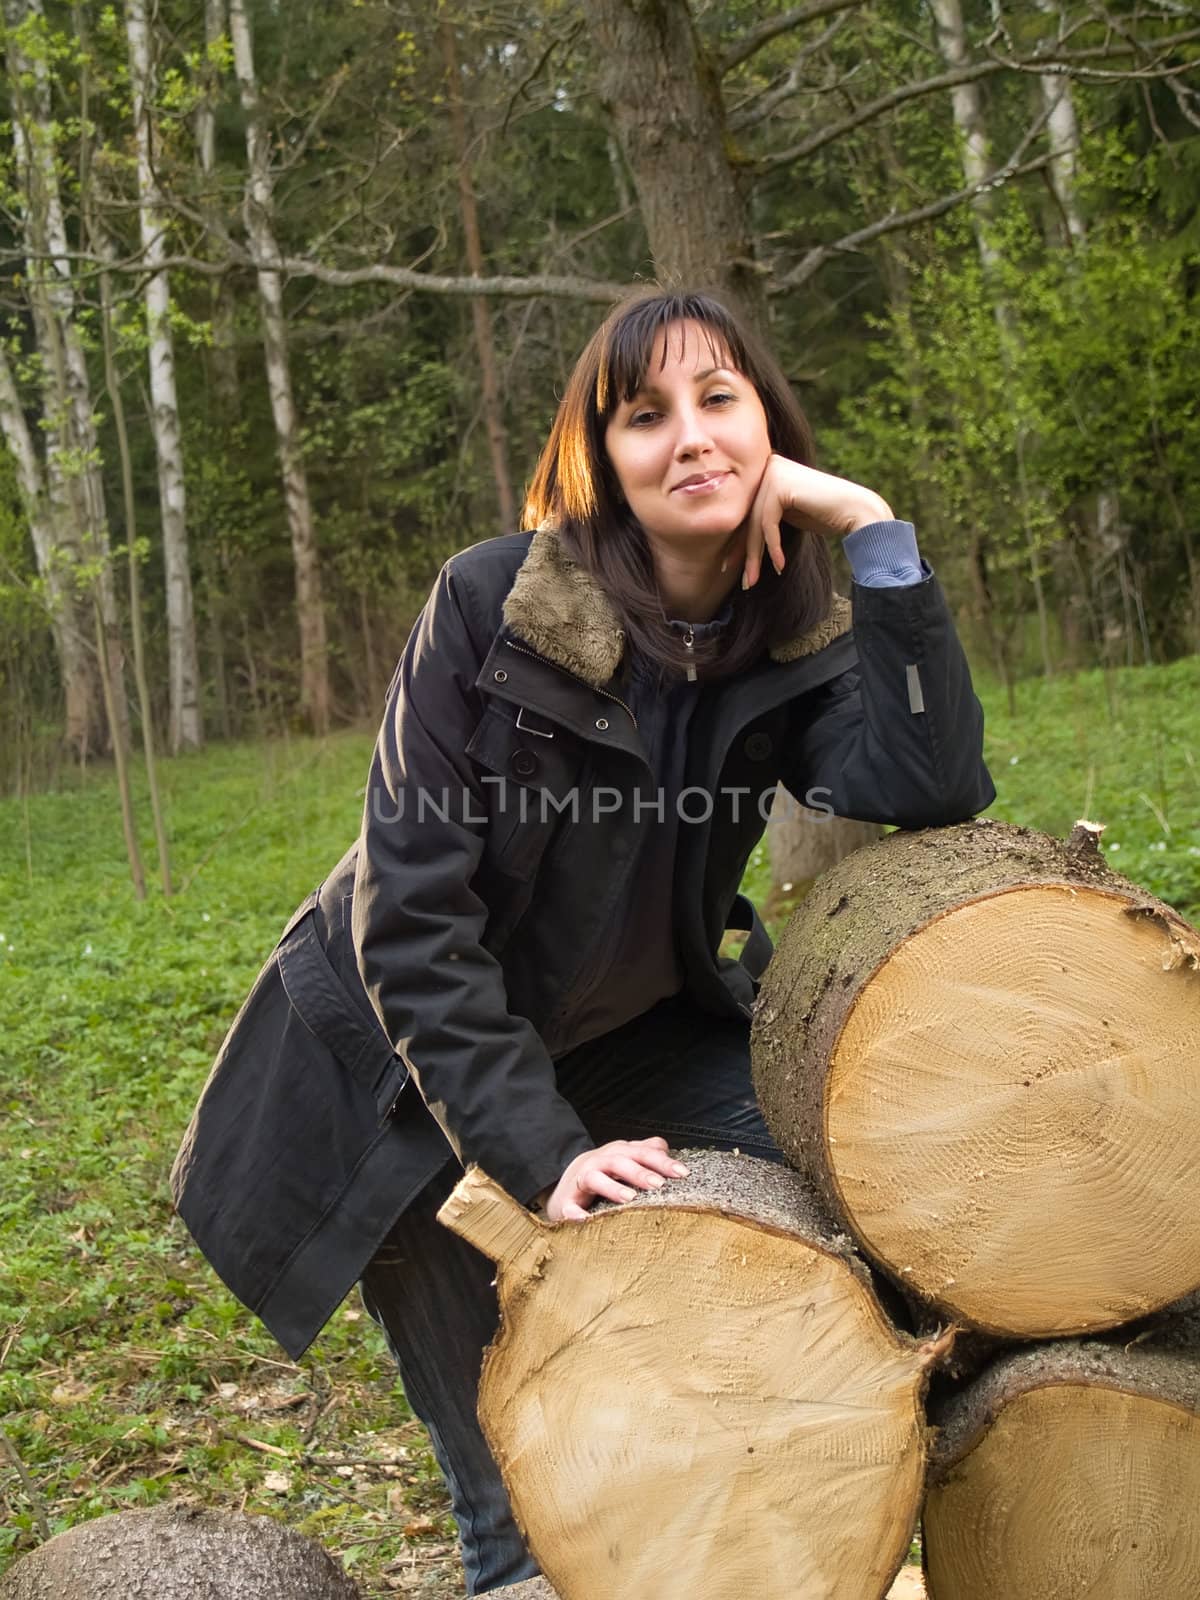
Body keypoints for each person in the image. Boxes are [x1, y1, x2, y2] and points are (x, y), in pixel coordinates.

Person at [172, 288, 994, 1596]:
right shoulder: (493, 606)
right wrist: (543, 1156)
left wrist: (873, 528)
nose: (689, 438)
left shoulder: (783, 633)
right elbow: (416, 920)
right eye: (643, 414)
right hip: (403, 1079)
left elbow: (932, 777)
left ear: (769, 429)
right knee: (521, 1512)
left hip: (628, 1035)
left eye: (719, 399)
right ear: (599, 458)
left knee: (887, 1187)